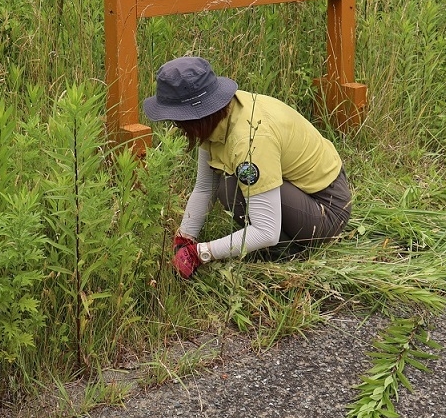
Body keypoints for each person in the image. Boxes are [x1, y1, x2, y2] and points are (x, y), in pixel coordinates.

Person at [142, 56, 353, 278]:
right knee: (228, 187)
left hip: (326, 209)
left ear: (195, 117)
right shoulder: (219, 116)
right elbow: (205, 187)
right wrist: (184, 238)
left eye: (177, 120)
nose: (177, 126)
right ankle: (278, 242)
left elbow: (266, 231)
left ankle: (289, 253)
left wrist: (201, 253)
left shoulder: (249, 139)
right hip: (301, 191)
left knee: (232, 191)